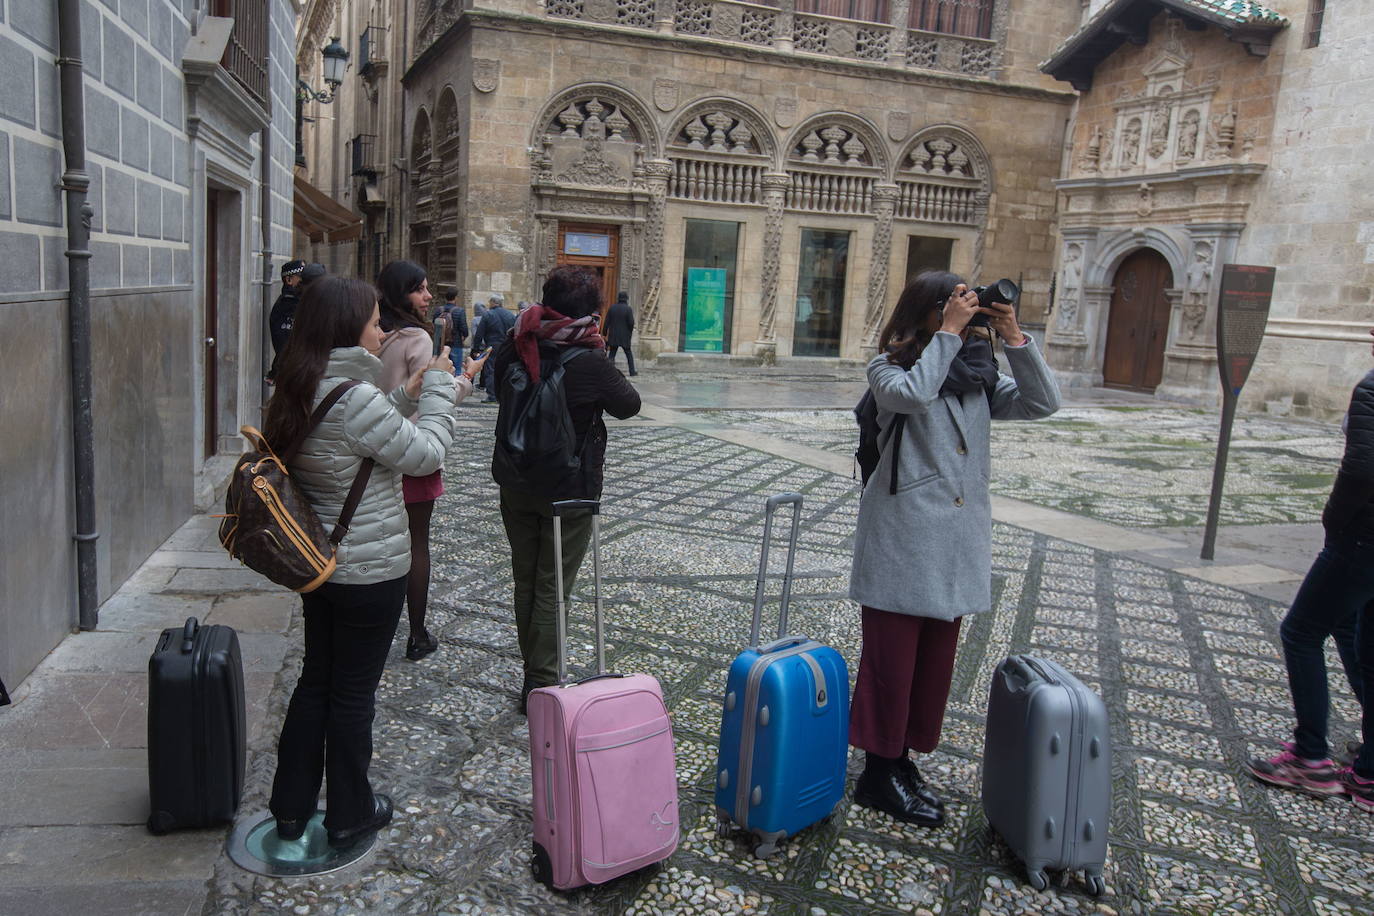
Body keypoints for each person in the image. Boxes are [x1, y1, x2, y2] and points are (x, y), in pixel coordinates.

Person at [847, 271, 1060, 827]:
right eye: (954, 306)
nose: (967, 315)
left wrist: (1014, 336)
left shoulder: (976, 376)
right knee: (891, 665)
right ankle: (878, 772)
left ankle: (902, 760)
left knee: (932, 665)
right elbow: (914, 395)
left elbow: (1044, 404)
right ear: (929, 312)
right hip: (904, 537)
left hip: (956, 542)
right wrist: (948, 333)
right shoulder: (887, 368)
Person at [263, 276, 459, 849]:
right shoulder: (354, 394)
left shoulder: (300, 384)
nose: (381, 331)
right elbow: (425, 454)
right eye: (375, 322)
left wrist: (409, 393)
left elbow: (352, 437)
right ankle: (350, 809)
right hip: (369, 571)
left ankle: (291, 808)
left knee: (315, 684)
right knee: (352, 695)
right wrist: (442, 391)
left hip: (318, 564)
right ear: (348, 327)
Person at [490, 266, 640, 713]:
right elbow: (629, 406)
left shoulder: (518, 342)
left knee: (525, 580)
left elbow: (499, 389)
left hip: (517, 481)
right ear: (592, 314)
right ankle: (540, 683)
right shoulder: (590, 359)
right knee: (552, 586)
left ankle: (534, 669)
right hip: (569, 490)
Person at [1249, 327, 1373, 804]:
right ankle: (1367, 775)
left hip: (1363, 538)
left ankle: (1311, 759)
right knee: (1362, 642)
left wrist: (1335, 521)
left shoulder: (1371, 387)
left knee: (1301, 633)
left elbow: (1362, 468)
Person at [375, 260, 485, 662]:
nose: (426, 297)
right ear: (401, 293)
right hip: (412, 446)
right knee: (416, 544)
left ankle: (372, 625)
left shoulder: (370, 334)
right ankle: (417, 633)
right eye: (419, 289)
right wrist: (467, 379)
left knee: (377, 539)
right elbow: (431, 395)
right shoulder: (416, 339)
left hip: (373, 448)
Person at [267, 260, 306, 381]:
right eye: (301, 277)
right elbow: (285, 345)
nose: (304, 282)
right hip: (293, 373)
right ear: (289, 280)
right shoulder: (286, 306)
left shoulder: (299, 301)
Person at [476, 294, 516, 403]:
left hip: (492, 346)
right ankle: (503, 395)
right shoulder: (510, 315)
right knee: (505, 370)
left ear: (493, 302)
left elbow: (479, 334)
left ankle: (492, 395)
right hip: (507, 346)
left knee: (491, 370)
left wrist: (475, 349)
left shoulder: (488, 315)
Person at [605, 290, 637, 376]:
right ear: (626, 299)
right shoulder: (628, 309)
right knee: (629, 355)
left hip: (614, 335)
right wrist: (629, 333)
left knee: (612, 354)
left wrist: (604, 333)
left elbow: (606, 322)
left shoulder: (612, 308)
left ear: (618, 298)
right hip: (624, 336)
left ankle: (609, 372)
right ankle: (632, 371)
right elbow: (631, 323)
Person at [439, 287, 469, 369]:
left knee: (441, 369)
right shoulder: (460, 311)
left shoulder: (439, 310)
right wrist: (463, 337)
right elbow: (465, 330)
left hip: (441, 344)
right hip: (456, 343)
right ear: (455, 297)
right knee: (456, 370)